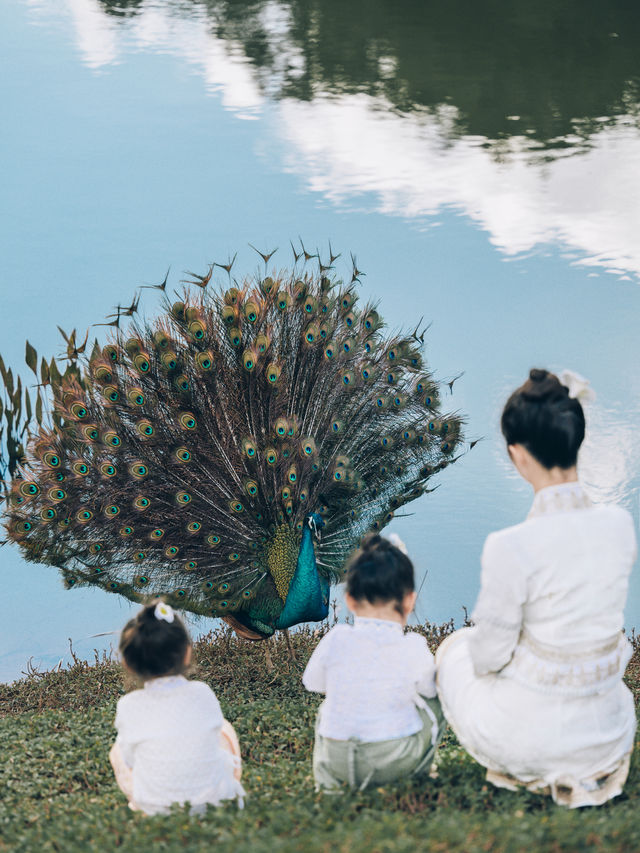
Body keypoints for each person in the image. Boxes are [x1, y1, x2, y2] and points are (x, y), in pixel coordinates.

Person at [436, 368, 637, 808]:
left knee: (456, 649)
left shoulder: (510, 547)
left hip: (532, 740)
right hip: (609, 735)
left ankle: (524, 765)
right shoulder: (621, 526)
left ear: (518, 456)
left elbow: (489, 657)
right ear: (576, 441)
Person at [303, 533, 445, 791]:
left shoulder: (336, 638)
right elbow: (429, 690)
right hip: (390, 761)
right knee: (437, 698)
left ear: (350, 600)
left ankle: (329, 785)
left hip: (337, 759)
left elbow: (312, 683)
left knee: (327, 708)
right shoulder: (413, 645)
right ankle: (419, 775)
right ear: (409, 600)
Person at [109, 599, 245, 815]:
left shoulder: (128, 705)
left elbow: (129, 759)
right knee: (224, 730)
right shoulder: (202, 692)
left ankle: (145, 801)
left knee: (118, 749)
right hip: (212, 800)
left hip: (155, 807)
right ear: (187, 653)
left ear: (127, 663)